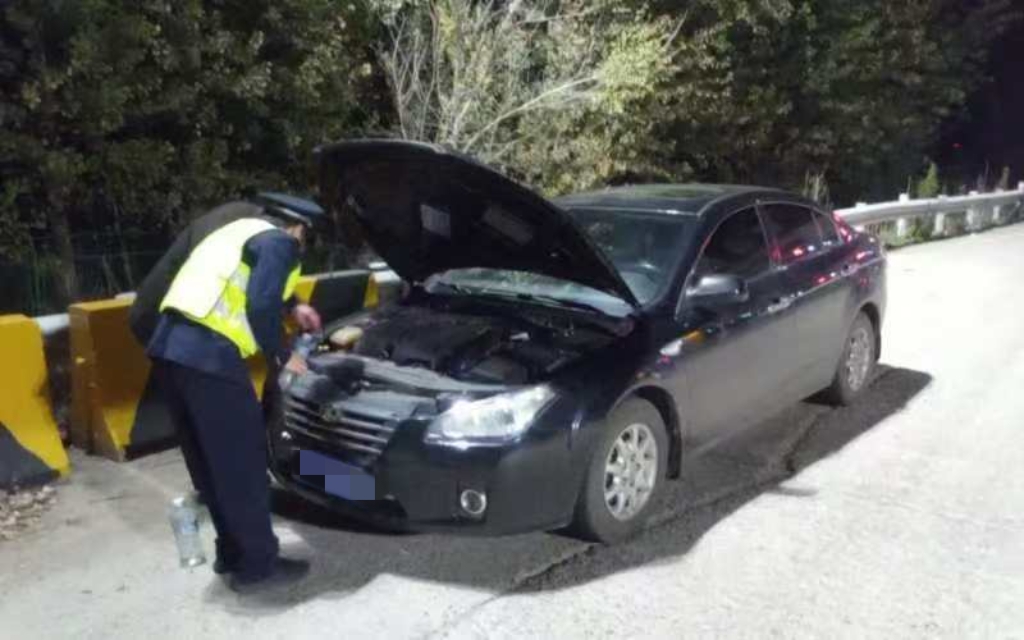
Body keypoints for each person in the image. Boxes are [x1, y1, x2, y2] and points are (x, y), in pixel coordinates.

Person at [130, 192, 324, 593]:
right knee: (242, 463)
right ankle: (258, 567)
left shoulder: (234, 231)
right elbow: (260, 303)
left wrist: (293, 306)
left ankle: (231, 554)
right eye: (306, 238)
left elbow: (242, 281)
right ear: (298, 228)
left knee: (210, 463)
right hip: (209, 354)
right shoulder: (280, 241)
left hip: (168, 350)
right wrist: (283, 355)